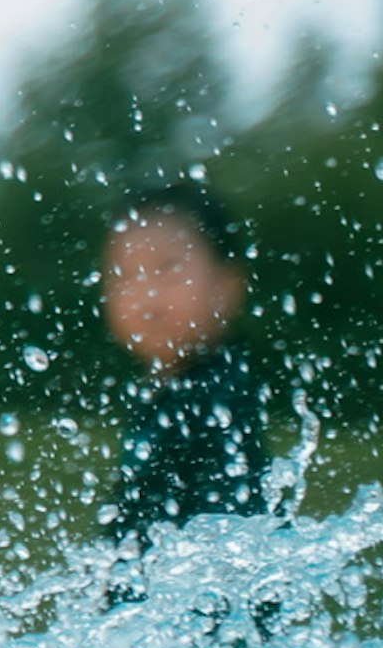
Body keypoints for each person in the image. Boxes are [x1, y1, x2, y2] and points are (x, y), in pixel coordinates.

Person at [98, 182, 273, 541]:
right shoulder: (163, 395)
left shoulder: (218, 397)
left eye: (167, 268)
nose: (146, 295)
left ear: (227, 284)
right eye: (125, 274)